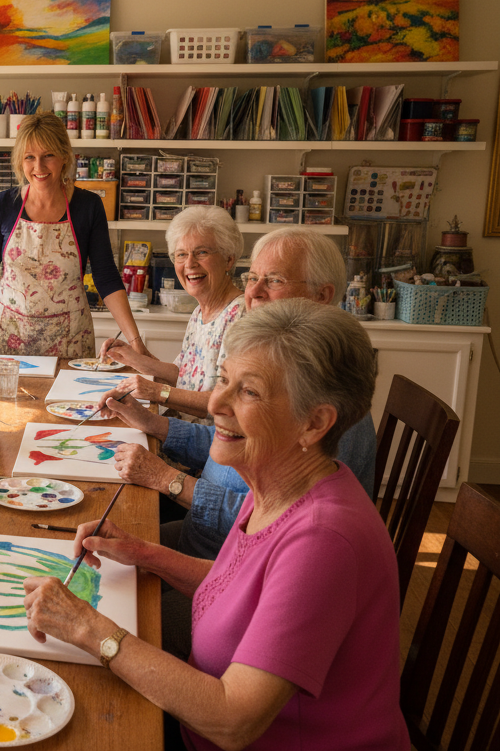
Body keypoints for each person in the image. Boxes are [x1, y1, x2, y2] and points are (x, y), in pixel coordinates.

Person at [23, 300, 408, 751]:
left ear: (314, 422)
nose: (216, 403)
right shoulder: (275, 479)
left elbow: (232, 720)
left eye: (248, 392)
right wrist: (144, 552)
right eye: (223, 379)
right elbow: (244, 587)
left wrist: (87, 626)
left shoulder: (324, 539)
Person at [103, 228, 376, 560]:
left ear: (322, 295)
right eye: (252, 278)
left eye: (274, 280)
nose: (255, 292)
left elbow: (278, 526)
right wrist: (153, 424)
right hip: (201, 538)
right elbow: (231, 440)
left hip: (228, 560)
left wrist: (167, 479)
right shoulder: (278, 361)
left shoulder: (323, 386)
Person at [0, 112, 146, 359]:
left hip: (69, 339)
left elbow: (106, 276)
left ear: (65, 156)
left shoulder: (88, 206)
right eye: (29, 157)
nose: (38, 167)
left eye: (48, 156)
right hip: (7, 338)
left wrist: (135, 341)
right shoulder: (3, 205)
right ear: (20, 161)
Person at [103, 205, 245, 420]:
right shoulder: (200, 312)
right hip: (182, 425)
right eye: (181, 254)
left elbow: (228, 403)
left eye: (202, 252)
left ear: (229, 259)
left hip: (210, 446)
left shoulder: (241, 317)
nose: (189, 263)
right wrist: (135, 360)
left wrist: (155, 391)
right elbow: (184, 376)